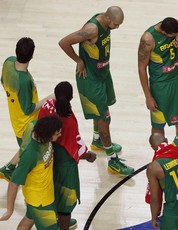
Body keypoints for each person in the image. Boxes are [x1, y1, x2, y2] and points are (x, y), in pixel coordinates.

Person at [58, 6, 134, 176]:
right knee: (104, 119)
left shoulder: (105, 21)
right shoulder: (91, 29)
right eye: (116, 24)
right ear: (107, 18)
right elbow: (64, 42)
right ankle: (112, 161)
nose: (117, 27)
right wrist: (79, 61)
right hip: (91, 80)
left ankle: (97, 140)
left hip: (103, 74)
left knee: (101, 112)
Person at [38, 81, 97, 230]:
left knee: (50, 196)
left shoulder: (47, 106)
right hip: (65, 165)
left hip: (47, 160)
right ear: (71, 97)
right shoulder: (68, 119)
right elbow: (74, 145)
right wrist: (88, 155)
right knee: (65, 204)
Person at [138, 17, 178, 158]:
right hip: (161, 85)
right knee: (159, 122)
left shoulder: (177, 25)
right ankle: (162, 154)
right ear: (164, 33)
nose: (175, 37)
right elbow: (142, 69)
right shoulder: (148, 39)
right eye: (172, 36)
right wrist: (148, 97)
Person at [0, 37, 54, 181]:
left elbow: (2, 81)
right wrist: (50, 97)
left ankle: (8, 168)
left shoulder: (8, 62)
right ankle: (17, 177)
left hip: (15, 116)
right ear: (32, 55)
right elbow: (28, 109)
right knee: (28, 152)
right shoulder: (23, 81)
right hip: (25, 124)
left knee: (24, 147)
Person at [0, 115, 63, 230]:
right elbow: (13, 183)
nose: (60, 135)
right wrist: (9, 211)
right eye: (57, 133)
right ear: (48, 134)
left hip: (38, 195)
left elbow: (22, 147)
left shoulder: (33, 126)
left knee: (28, 220)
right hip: (41, 201)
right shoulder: (31, 155)